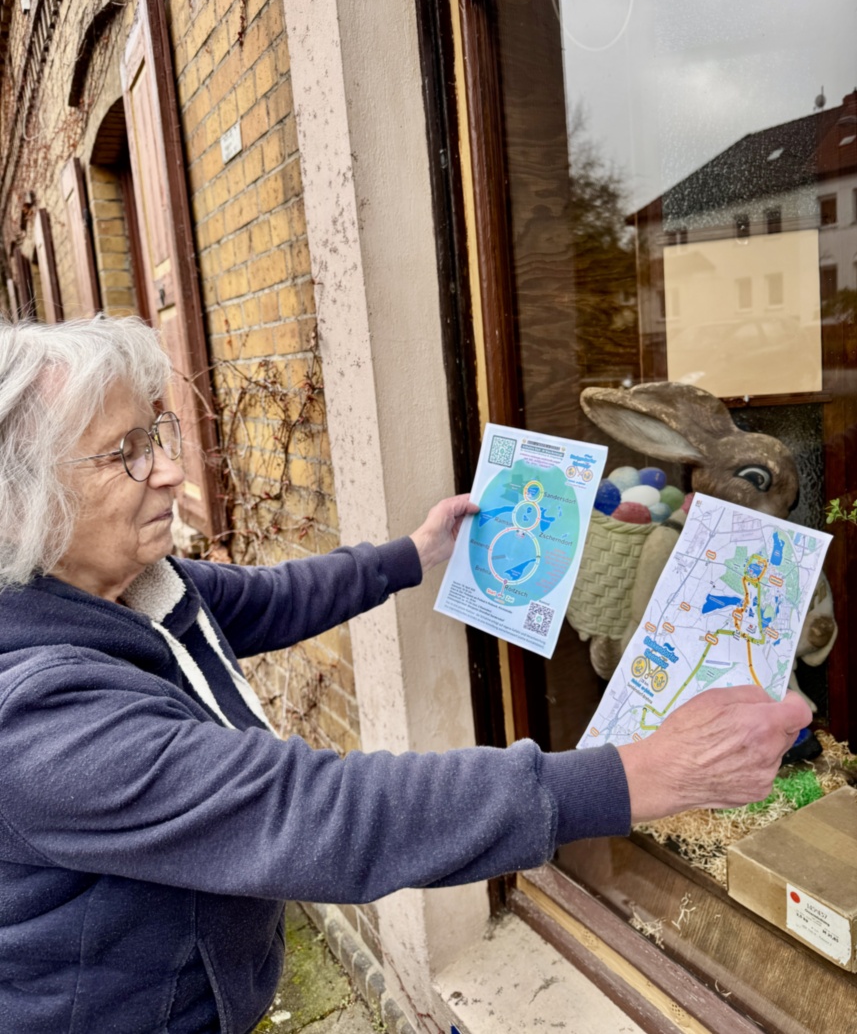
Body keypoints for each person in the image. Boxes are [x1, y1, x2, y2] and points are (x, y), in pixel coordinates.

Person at [0, 316, 809, 1034]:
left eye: (158, 434)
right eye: (125, 454)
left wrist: (412, 556)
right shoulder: (37, 719)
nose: (169, 471)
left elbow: (267, 599)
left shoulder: (126, 585)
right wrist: (636, 775)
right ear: (22, 500)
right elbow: (316, 813)